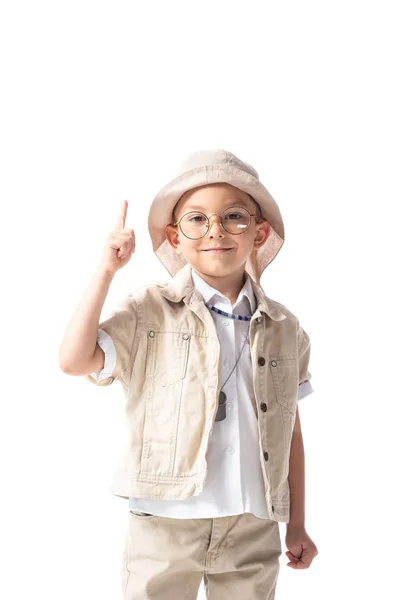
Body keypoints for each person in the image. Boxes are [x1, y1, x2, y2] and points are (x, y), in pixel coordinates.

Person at [58, 149, 318, 599]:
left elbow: (289, 427)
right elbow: (74, 360)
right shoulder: (147, 310)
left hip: (252, 522)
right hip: (164, 522)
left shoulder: (284, 327)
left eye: (234, 216)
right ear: (173, 238)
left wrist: (295, 522)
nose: (215, 230)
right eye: (196, 219)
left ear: (260, 233)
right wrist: (106, 271)